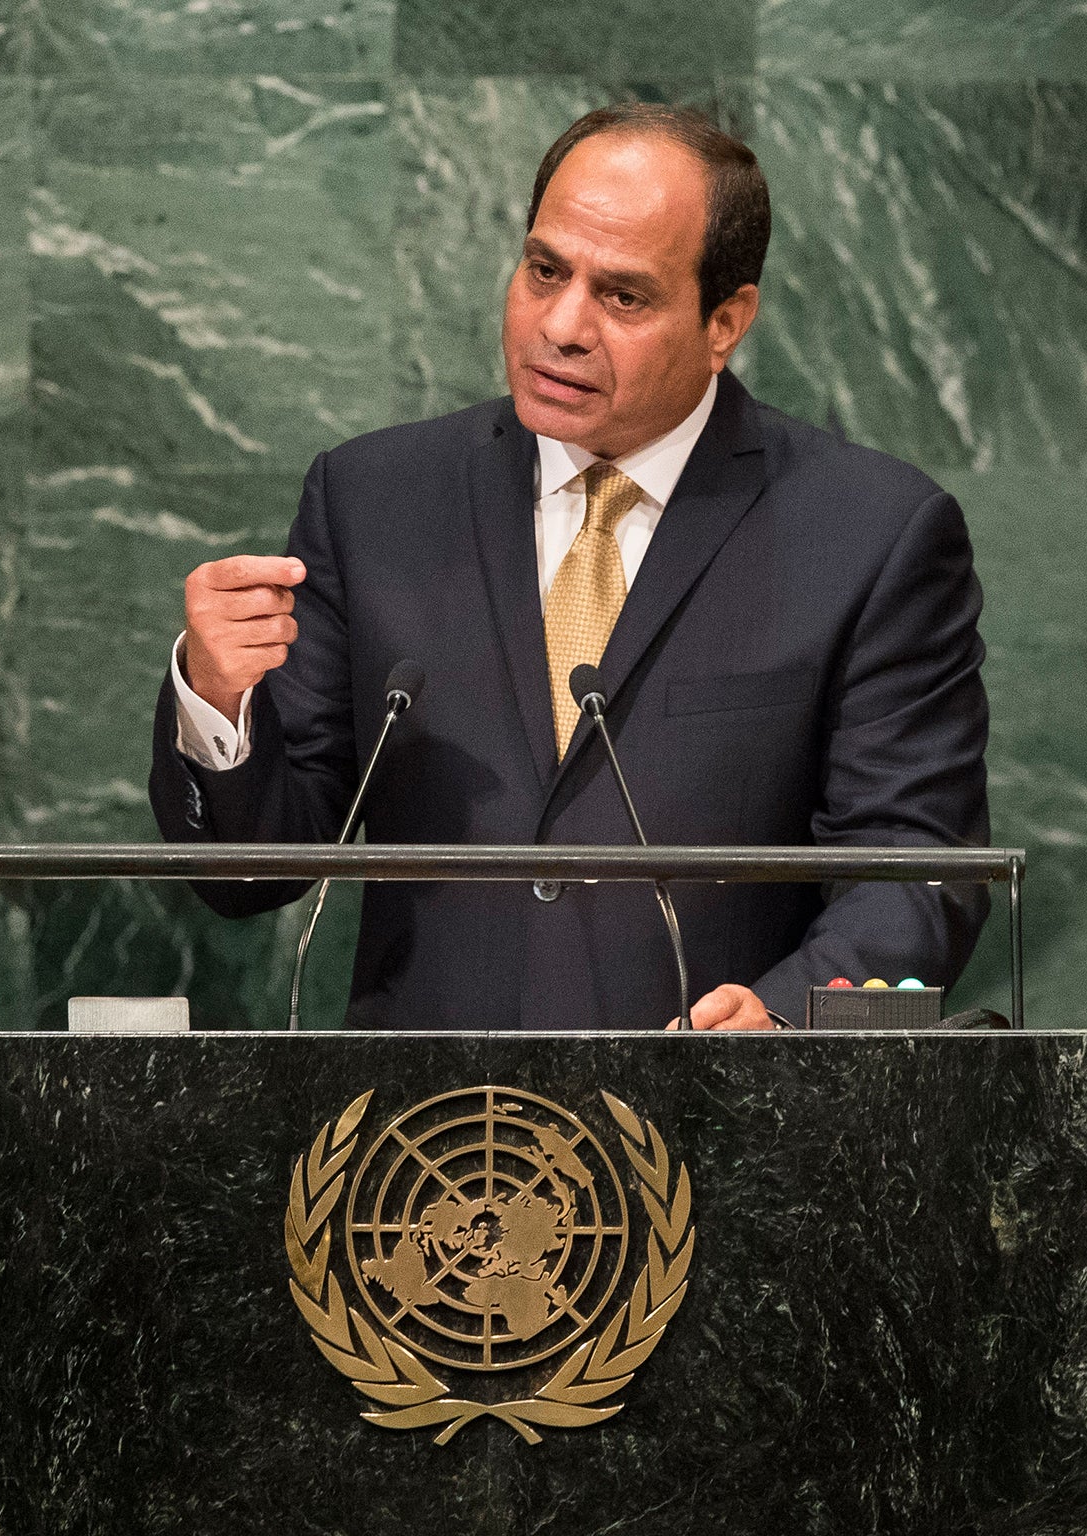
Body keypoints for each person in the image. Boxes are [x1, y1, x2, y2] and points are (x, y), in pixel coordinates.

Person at [149, 104, 990, 1032]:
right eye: (544, 271)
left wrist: (789, 1015)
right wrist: (219, 701)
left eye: (623, 296)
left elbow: (917, 869)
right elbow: (251, 874)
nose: (562, 324)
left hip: (718, 1128)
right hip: (424, 1145)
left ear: (726, 321)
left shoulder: (869, 534)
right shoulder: (373, 500)